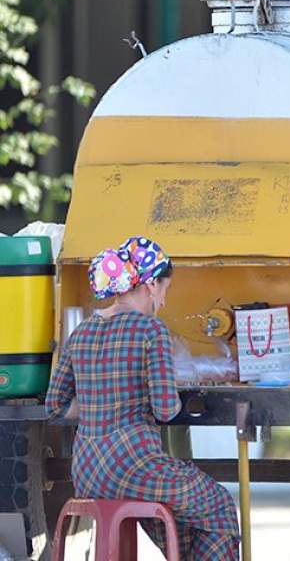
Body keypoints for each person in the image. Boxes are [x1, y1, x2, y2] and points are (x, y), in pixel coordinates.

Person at [46, 237, 239, 560]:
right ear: (150, 285)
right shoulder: (150, 330)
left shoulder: (81, 333)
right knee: (218, 506)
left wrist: (100, 401)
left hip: (88, 472)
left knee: (182, 525)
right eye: (165, 289)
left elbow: (55, 406)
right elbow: (165, 411)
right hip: (135, 468)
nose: (163, 301)